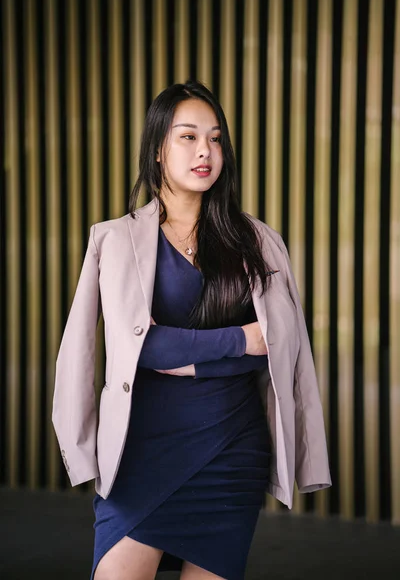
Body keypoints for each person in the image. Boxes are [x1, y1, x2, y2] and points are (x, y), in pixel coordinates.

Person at [52, 79, 331, 580]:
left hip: (231, 448)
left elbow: (277, 346)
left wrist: (189, 353)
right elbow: (141, 347)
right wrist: (238, 338)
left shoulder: (257, 241)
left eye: (216, 138)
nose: (206, 151)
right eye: (188, 137)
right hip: (142, 454)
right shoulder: (115, 241)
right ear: (158, 149)